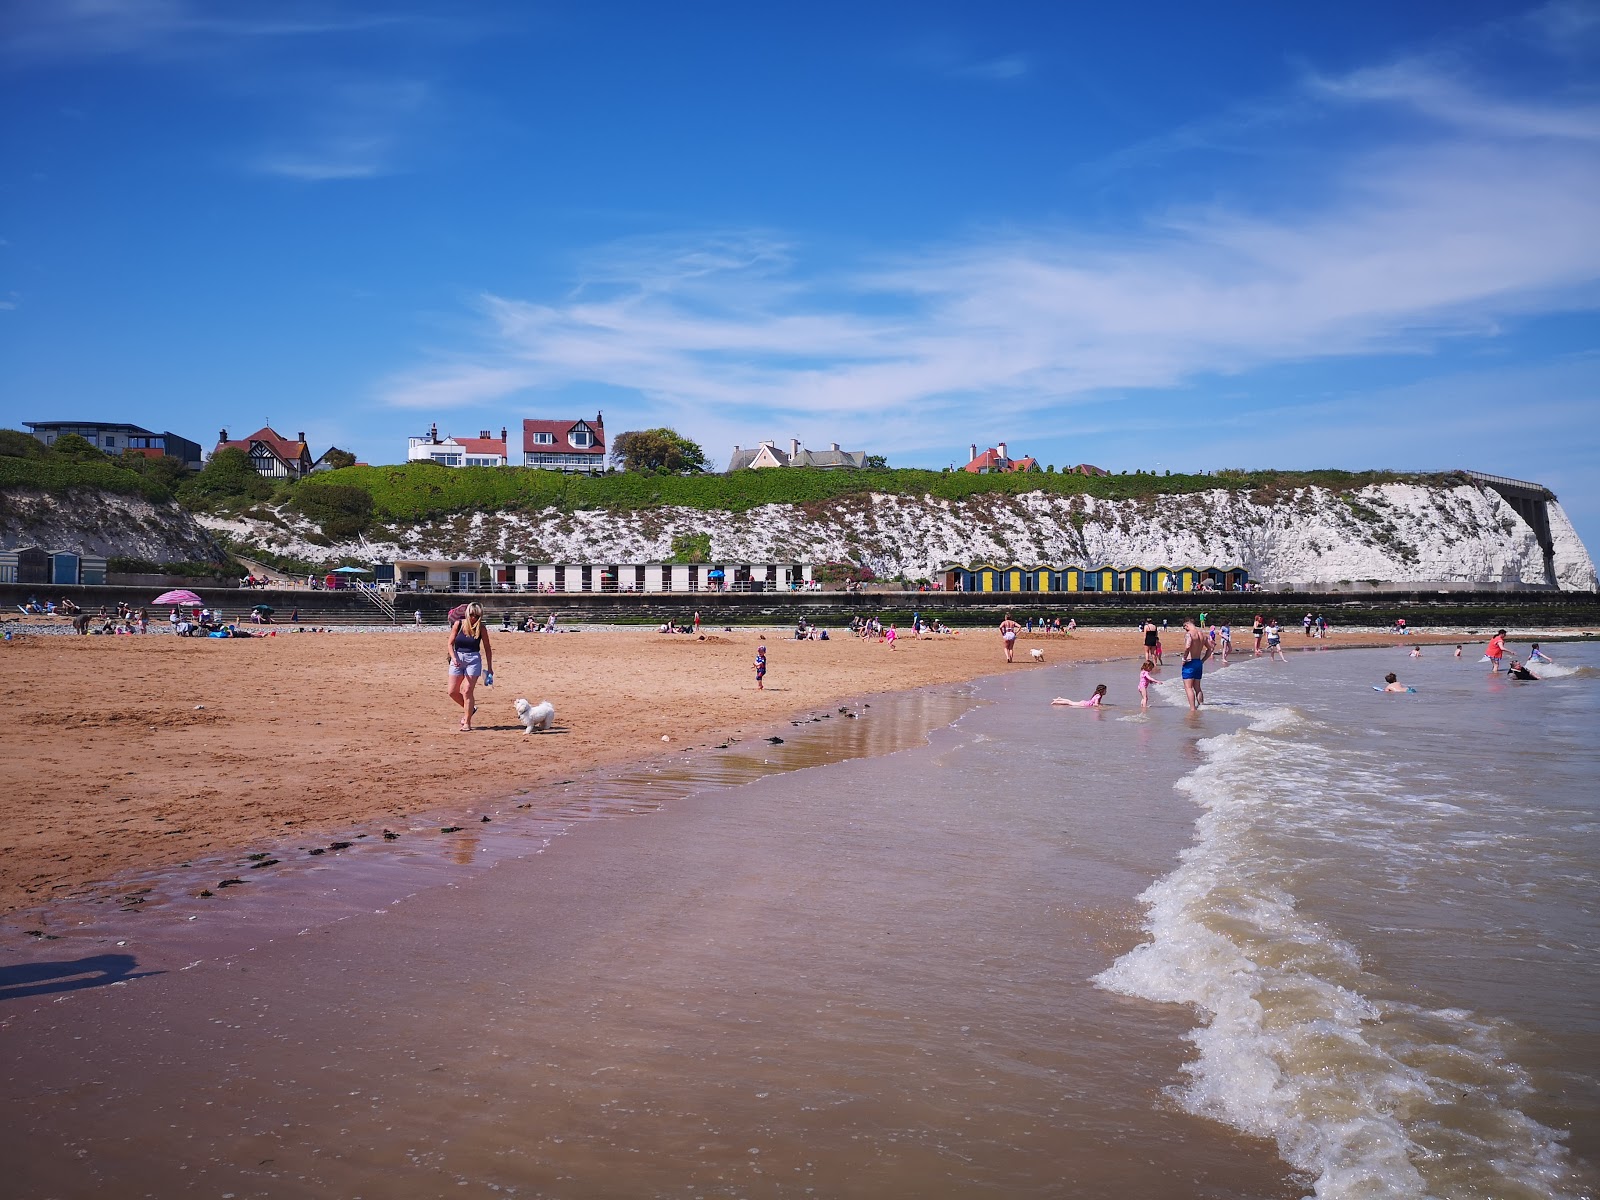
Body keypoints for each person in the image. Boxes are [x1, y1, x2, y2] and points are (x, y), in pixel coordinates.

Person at [446, 601, 492, 731]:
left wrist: (490, 668)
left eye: (477, 616)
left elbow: (487, 649)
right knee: (452, 692)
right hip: (458, 658)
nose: (474, 618)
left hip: (473, 659)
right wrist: (454, 658)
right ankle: (471, 709)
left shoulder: (481, 628)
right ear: (467, 614)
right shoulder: (458, 624)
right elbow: (450, 643)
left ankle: (467, 722)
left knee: (467, 691)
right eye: (472, 615)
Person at [1180, 619, 1212, 712]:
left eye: (1184, 628)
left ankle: (1192, 709)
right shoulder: (1203, 635)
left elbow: (1187, 646)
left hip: (1190, 662)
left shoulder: (1189, 634)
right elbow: (1210, 649)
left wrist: (1184, 658)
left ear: (1187, 625)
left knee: (1188, 687)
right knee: (1197, 687)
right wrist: (1203, 660)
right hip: (1198, 662)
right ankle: (1201, 706)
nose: (1185, 630)